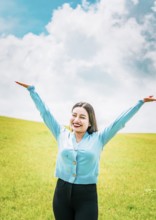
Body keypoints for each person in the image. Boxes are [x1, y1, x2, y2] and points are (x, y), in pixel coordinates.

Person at [15, 81, 156, 220]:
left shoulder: (99, 138)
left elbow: (119, 122)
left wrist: (140, 102)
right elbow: (45, 113)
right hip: (61, 193)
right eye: (74, 115)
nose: (76, 119)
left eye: (82, 117)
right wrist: (32, 90)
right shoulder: (61, 133)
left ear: (90, 122)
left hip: (87, 197)